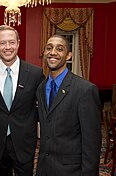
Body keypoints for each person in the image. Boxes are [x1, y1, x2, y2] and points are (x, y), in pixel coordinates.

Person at [0, 25, 45, 176]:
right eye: (3, 43)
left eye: (11, 42)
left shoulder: (35, 73)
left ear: (18, 43)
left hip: (24, 142)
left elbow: (42, 107)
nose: (7, 47)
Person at [36, 34, 101, 176]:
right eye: (49, 48)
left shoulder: (85, 90)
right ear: (44, 53)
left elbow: (92, 142)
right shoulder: (40, 88)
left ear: (68, 55)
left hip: (71, 171)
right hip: (44, 168)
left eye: (59, 49)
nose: (53, 52)